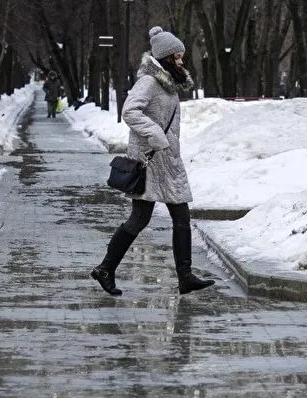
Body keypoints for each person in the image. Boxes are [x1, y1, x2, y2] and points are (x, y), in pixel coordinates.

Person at [91, 26, 215, 296]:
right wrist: (156, 134)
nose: (182, 61)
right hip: (151, 161)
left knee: (173, 217)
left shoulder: (166, 82)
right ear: (167, 57)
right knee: (146, 219)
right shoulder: (149, 82)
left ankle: (184, 276)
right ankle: (106, 269)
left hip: (166, 161)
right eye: (178, 56)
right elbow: (129, 111)